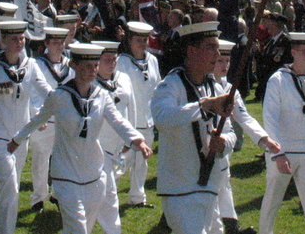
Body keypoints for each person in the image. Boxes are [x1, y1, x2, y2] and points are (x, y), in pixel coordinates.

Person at [10, 43, 152, 234]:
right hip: (65, 173)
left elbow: (118, 121)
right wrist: (16, 140)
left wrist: (137, 140)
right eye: (86, 66)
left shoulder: (102, 96)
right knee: (78, 228)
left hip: (94, 173)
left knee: (85, 226)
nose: (92, 71)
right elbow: (38, 119)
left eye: (95, 66)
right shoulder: (59, 96)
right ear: (74, 65)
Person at [151, 21, 236, 234]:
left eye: (217, 48)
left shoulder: (214, 86)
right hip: (180, 187)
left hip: (210, 185)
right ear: (191, 50)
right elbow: (162, 118)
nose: (217, 54)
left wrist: (224, 143)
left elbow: (231, 132)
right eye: (210, 47)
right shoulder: (170, 85)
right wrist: (205, 105)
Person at [0, 20, 48, 234]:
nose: (19, 43)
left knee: (7, 189)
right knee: (11, 183)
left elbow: (46, 93)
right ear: (3, 40)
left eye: (22, 38)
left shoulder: (31, 66)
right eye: (13, 39)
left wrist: (63, 104)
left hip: (20, 136)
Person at [260, 32, 305, 234]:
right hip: (284, 151)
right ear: (293, 52)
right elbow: (270, 118)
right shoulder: (277, 79)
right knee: (272, 201)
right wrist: (277, 152)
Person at [212, 38, 280, 234]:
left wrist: (264, 139)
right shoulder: (201, 86)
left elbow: (244, 118)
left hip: (225, 148)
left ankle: (231, 226)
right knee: (213, 190)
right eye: (219, 62)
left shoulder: (230, 88)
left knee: (224, 185)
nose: (224, 66)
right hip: (206, 147)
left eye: (227, 61)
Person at [28, 26, 77, 212]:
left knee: (62, 159)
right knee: (41, 159)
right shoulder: (37, 64)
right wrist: (37, 116)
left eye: (61, 43)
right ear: (46, 43)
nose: (58, 46)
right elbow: (32, 93)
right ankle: (38, 197)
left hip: (65, 120)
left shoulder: (70, 64)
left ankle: (58, 193)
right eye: (54, 43)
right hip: (44, 120)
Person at [115, 21, 161, 208]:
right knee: (120, 162)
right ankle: (110, 198)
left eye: (145, 39)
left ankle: (137, 197)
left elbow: (157, 87)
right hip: (128, 120)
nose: (142, 43)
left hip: (147, 119)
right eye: (138, 40)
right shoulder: (121, 62)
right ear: (130, 40)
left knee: (142, 163)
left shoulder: (152, 60)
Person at [93, 40, 136, 234]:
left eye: (114, 59)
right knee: (109, 197)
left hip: (120, 146)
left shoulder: (124, 79)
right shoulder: (89, 84)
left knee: (107, 192)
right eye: (107, 60)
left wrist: (131, 140)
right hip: (98, 147)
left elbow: (131, 109)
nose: (112, 63)